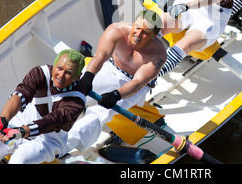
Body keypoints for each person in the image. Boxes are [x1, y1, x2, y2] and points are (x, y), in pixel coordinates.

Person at [65, 10, 166, 152]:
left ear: (154, 36)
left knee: (99, 114)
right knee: (71, 93)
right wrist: (88, 77)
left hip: (133, 86)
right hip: (109, 68)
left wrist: (116, 95)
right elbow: (101, 56)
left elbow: (137, 82)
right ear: (133, 24)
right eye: (137, 28)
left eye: (145, 33)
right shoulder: (116, 30)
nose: (138, 34)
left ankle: (62, 148)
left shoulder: (158, 54)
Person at [0, 49, 88, 164]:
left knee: (20, 158)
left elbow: (50, 121)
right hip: (18, 124)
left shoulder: (76, 102)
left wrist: (20, 132)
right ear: (54, 65)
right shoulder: (39, 73)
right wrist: (4, 119)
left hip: (47, 140)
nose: (61, 75)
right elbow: (21, 95)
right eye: (59, 69)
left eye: (68, 73)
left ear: (78, 76)